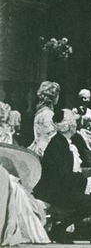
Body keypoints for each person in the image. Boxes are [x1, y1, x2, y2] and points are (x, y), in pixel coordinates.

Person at [33, 108, 91, 245]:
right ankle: (59, 229)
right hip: (53, 192)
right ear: (69, 126)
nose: (75, 125)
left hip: (64, 188)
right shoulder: (57, 145)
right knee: (90, 201)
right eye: (73, 122)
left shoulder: (66, 142)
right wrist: (85, 183)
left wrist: (86, 183)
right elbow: (62, 176)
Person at [0, 101, 50, 246]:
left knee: (16, 189)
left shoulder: (7, 133)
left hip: (5, 171)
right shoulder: (5, 134)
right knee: (13, 188)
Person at [27, 81, 60, 157]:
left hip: (38, 145)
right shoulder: (48, 113)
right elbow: (50, 133)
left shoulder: (40, 111)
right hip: (44, 148)